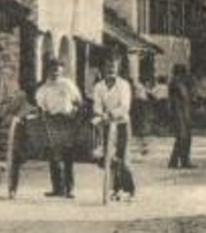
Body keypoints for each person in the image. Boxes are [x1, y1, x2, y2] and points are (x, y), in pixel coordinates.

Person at [34, 57, 82, 198]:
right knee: (54, 156)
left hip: (68, 120)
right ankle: (57, 189)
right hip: (52, 121)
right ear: (48, 71)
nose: (55, 73)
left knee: (68, 155)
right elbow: (41, 107)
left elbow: (78, 101)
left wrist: (74, 112)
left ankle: (70, 189)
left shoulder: (68, 85)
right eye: (53, 69)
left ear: (62, 71)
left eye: (58, 70)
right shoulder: (43, 89)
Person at [91, 58, 134, 200]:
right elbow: (97, 105)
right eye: (108, 66)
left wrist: (109, 114)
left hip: (122, 123)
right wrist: (99, 114)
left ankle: (128, 189)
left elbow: (125, 106)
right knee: (109, 157)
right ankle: (115, 188)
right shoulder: (99, 86)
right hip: (106, 123)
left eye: (114, 67)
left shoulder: (123, 85)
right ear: (103, 68)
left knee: (122, 157)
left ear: (118, 68)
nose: (111, 69)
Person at [167, 64, 194, 169]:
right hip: (180, 114)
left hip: (182, 113)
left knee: (183, 138)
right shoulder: (177, 83)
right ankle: (182, 161)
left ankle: (177, 161)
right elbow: (185, 97)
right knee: (183, 138)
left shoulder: (176, 82)